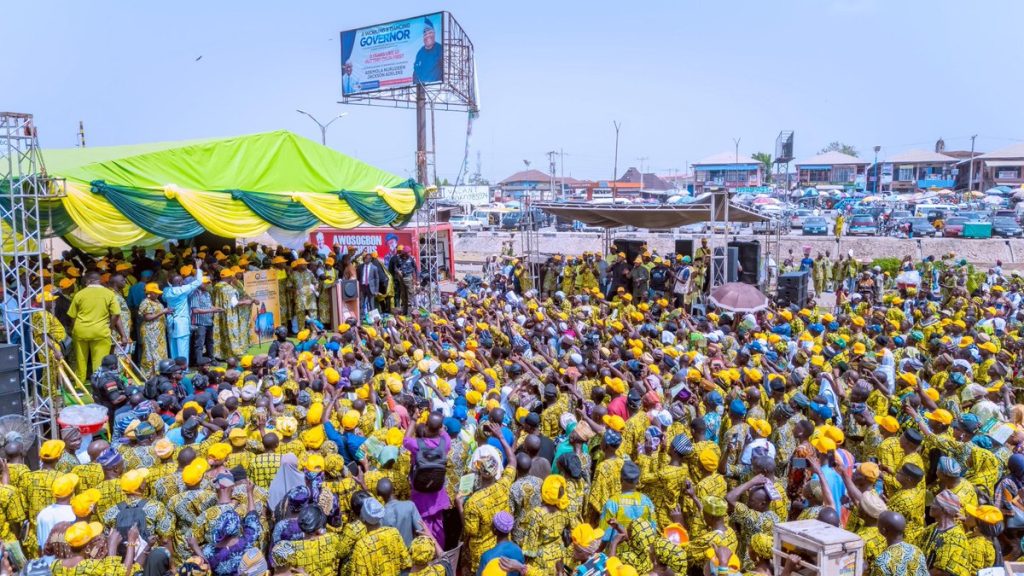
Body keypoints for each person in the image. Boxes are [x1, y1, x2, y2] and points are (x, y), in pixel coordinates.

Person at [68, 270, 127, 382]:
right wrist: (110, 326)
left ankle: (79, 386)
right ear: (99, 281)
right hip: (101, 331)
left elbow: (72, 315)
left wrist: (75, 328)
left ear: (88, 281)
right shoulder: (109, 294)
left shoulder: (79, 294)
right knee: (99, 361)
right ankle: (98, 384)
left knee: (81, 361)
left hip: (80, 331)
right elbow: (116, 314)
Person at [412, 17, 442, 85]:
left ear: (434, 33)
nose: (427, 36)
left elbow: (445, 70)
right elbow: (415, 73)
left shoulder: (440, 49)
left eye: (430, 33)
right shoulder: (420, 53)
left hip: (436, 90)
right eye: (425, 34)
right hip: (420, 92)